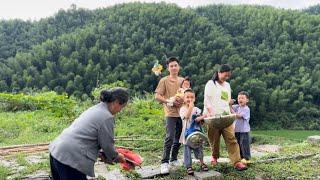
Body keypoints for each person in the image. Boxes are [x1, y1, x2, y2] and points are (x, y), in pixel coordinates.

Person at [49, 87, 129, 179]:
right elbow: (107, 146)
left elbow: (86, 137)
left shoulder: (95, 109)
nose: (120, 111)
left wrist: (100, 154)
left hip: (57, 151)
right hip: (71, 158)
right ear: (116, 102)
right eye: (122, 107)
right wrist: (118, 157)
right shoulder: (107, 117)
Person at [203, 64, 247, 171]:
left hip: (226, 116)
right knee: (214, 138)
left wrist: (230, 105)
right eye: (225, 75)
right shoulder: (211, 84)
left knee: (231, 138)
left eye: (228, 76)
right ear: (219, 72)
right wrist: (212, 113)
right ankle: (214, 157)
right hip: (213, 117)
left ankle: (237, 162)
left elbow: (226, 100)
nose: (226, 78)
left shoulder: (227, 85)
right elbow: (207, 100)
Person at [155, 57, 184, 174]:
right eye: (171, 66)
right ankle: (164, 162)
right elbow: (157, 96)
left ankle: (174, 159)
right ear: (168, 68)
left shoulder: (183, 80)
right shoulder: (164, 80)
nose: (173, 67)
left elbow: (189, 94)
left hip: (182, 113)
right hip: (170, 113)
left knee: (180, 137)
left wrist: (183, 102)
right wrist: (169, 101)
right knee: (170, 137)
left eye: (175, 65)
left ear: (179, 67)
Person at [179, 89, 209, 175]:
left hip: (196, 133)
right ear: (184, 99)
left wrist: (202, 117)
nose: (190, 99)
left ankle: (202, 163)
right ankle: (189, 166)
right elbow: (186, 116)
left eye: (192, 97)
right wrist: (190, 107)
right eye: (187, 97)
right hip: (186, 134)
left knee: (199, 147)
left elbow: (201, 120)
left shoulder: (196, 109)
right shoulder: (182, 109)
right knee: (187, 150)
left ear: (195, 98)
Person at [232, 91, 251, 164]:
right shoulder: (236, 107)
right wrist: (230, 104)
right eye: (239, 98)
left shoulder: (246, 108)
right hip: (236, 130)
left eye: (242, 98)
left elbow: (238, 116)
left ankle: (247, 158)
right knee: (238, 144)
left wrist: (231, 108)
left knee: (244, 144)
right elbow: (229, 108)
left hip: (244, 130)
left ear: (247, 100)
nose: (240, 99)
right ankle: (240, 158)